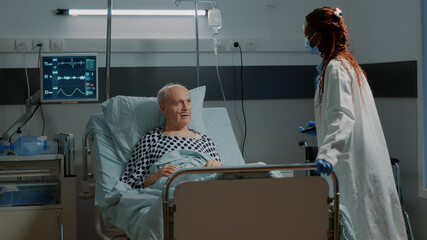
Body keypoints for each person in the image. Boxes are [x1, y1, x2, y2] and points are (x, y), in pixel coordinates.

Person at [302, 7, 407, 240]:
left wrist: (327, 154)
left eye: (308, 34)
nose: (306, 40)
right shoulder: (349, 64)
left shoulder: (336, 68)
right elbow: (348, 112)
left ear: (319, 35)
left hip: (349, 162)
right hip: (359, 153)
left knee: (357, 222)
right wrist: (320, 126)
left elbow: (342, 115)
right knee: (371, 221)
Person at [119, 83, 221, 188]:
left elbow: (224, 176)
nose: (186, 108)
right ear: (163, 109)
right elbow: (129, 183)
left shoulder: (206, 141)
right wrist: (154, 177)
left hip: (207, 185)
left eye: (188, 101)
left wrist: (216, 168)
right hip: (174, 187)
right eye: (178, 103)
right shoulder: (151, 139)